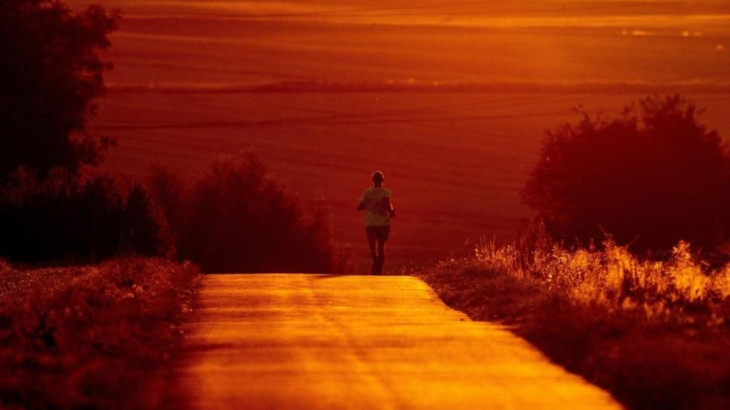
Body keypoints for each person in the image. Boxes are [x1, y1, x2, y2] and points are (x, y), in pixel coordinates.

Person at [357, 171, 395, 275]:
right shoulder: (385, 192)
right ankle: (378, 271)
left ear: (372, 181)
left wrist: (369, 204)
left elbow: (359, 207)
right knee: (381, 248)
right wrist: (391, 211)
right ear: (383, 180)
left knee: (372, 249)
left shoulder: (367, 193)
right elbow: (387, 203)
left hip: (370, 224)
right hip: (383, 224)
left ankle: (375, 264)